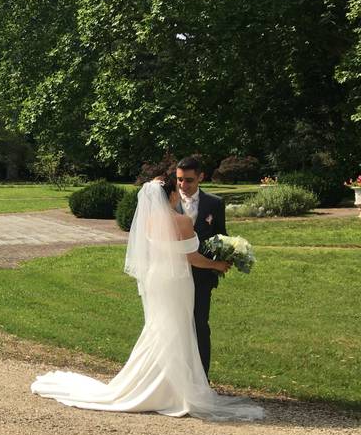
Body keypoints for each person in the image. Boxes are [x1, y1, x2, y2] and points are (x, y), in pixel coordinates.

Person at [30, 176, 263, 421]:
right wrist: (218, 264)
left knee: (159, 327)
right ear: (172, 196)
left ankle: (160, 382)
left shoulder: (149, 220)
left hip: (156, 279)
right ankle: (172, 388)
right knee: (177, 328)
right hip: (176, 281)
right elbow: (192, 258)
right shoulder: (182, 221)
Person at [175, 156, 225, 378]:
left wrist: (227, 257)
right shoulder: (168, 203)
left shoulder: (214, 203)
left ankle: (202, 378)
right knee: (176, 326)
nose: (183, 186)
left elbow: (221, 236)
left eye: (189, 180)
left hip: (202, 276)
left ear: (201, 177)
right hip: (173, 277)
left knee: (200, 325)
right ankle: (179, 377)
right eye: (179, 180)